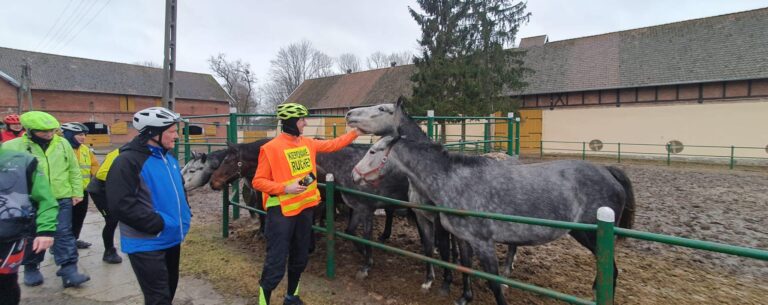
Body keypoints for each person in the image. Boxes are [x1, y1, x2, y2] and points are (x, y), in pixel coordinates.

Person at [252, 103, 360, 305]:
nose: (305, 123)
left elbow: (333, 145)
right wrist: (285, 188)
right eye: (302, 120)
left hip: (305, 209)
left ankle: (291, 297)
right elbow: (258, 181)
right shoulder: (271, 148)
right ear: (292, 122)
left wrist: (356, 133)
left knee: (301, 256)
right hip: (282, 213)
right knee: (276, 260)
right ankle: (263, 301)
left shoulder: (307, 143)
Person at [106, 107, 191, 305]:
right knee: (158, 298)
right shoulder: (126, 161)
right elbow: (120, 204)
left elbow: (178, 191)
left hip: (171, 237)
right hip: (146, 242)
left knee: (168, 292)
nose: (177, 136)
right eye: (171, 131)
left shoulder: (169, 159)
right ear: (153, 134)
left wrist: (185, 213)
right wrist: (157, 224)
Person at [2, 111, 90, 288]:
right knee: (32, 234)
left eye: (52, 130)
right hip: (29, 199)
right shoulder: (12, 146)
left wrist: (77, 191)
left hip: (61, 196)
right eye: (44, 131)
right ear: (30, 130)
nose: (49, 134)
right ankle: (31, 266)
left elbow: (73, 168)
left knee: (64, 233)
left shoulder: (62, 143)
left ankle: (68, 269)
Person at [0, 142, 58, 305]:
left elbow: (45, 198)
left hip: (10, 236)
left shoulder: (23, 161)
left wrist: (45, 230)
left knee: (6, 283)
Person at [60, 122, 99, 250]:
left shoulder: (85, 149)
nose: (83, 138)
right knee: (64, 221)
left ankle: (74, 240)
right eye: (80, 135)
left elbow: (94, 165)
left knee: (79, 218)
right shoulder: (59, 149)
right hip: (65, 192)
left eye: (84, 135)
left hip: (82, 191)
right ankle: (60, 244)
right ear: (69, 135)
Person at [85, 148, 123, 264]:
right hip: (99, 190)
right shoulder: (118, 152)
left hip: (111, 190)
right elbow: (102, 174)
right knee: (111, 220)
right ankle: (109, 251)